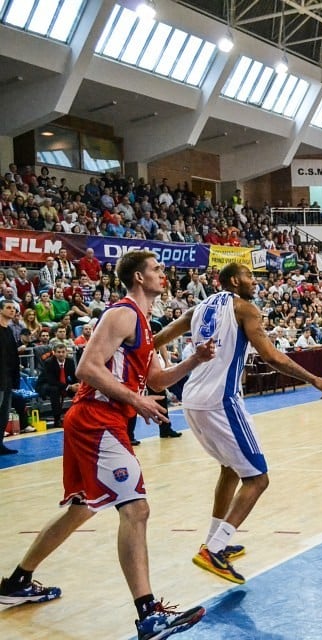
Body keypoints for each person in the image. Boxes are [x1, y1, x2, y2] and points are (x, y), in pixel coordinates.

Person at [0, 250, 213, 639]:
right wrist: (135, 400)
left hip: (105, 421)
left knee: (80, 510)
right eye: (156, 269)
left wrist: (196, 359)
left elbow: (159, 381)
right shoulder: (123, 314)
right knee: (136, 509)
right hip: (95, 420)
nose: (163, 274)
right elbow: (86, 368)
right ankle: (148, 616)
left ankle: (16, 582)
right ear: (137, 277)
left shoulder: (146, 324)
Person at [153, 262, 322, 586]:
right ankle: (215, 550)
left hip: (191, 400)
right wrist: (313, 378)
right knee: (258, 479)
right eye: (250, 276)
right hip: (221, 401)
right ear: (234, 281)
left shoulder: (198, 308)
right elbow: (271, 356)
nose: (254, 282)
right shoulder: (245, 309)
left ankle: (213, 540)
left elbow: (156, 339)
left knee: (230, 469)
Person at [38, 343, 79, 430]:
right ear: (54, 353)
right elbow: (52, 381)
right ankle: (57, 420)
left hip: (63, 384)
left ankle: (79, 417)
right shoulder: (49, 362)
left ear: (66, 353)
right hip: (46, 385)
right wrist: (70, 387)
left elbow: (74, 377)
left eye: (63, 352)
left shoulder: (70, 362)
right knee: (55, 390)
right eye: (58, 352)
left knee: (79, 390)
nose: (61, 354)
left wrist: (77, 385)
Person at [0, 299, 21, 454]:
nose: (12, 310)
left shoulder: (9, 330)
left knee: (4, 413)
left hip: (7, 378)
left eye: (13, 308)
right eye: (8, 308)